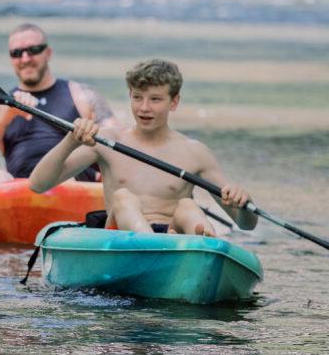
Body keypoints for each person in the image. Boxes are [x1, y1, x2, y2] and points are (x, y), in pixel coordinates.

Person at [28, 59, 257, 235]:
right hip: (119, 239)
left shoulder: (195, 153)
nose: (144, 108)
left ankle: (204, 245)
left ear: (174, 102)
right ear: (130, 95)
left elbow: (246, 224)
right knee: (124, 198)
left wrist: (245, 204)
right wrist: (70, 141)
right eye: (137, 97)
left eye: (155, 99)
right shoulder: (107, 140)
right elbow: (38, 184)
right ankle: (153, 246)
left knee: (187, 206)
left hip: (172, 235)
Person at [0, 22, 116, 187]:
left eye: (33, 50)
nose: (25, 59)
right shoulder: (0, 104)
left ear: (48, 53)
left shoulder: (82, 94)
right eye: (16, 53)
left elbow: (117, 139)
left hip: (71, 182)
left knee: (67, 180)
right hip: (22, 189)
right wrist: (7, 114)